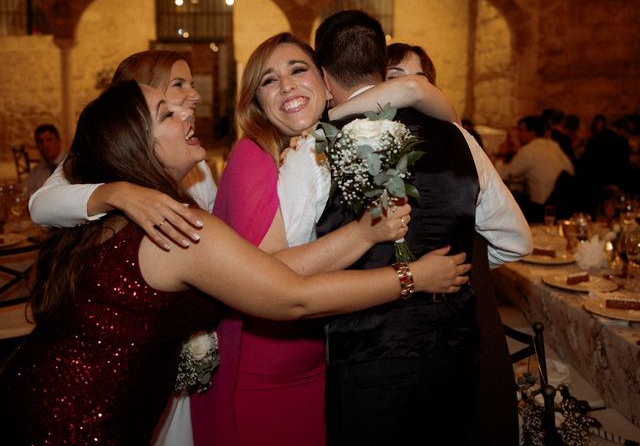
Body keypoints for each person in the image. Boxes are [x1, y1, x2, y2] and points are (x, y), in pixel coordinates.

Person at [0, 80, 471, 444]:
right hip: (76, 423)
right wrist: (412, 276)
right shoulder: (175, 228)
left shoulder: (122, 215)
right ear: (138, 148)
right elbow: (292, 298)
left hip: (39, 396)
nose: (188, 109)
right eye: (166, 112)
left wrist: (360, 233)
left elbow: (269, 272)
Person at [190, 32, 464, 446]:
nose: (285, 86)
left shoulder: (311, 147)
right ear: (255, 101)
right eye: (268, 80)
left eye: (297, 70)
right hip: (265, 377)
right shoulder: (253, 156)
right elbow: (267, 278)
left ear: (324, 79)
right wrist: (390, 257)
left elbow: (421, 93)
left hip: (314, 366)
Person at [313, 10, 532, 445]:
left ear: (325, 77)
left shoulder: (317, 146)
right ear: (381, 71)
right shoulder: (461, 138)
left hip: (366, 355)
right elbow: (516, 240)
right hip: (452, 352)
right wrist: (464, 263)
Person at [29, 50, 216, 250]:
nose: (196, 96)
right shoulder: (104, 159)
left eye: (192, 85)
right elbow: (41, 206)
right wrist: (118, 193)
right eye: (178, 84)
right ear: (141, 91)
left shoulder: (194, 162)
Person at [495, 115, 575, 222]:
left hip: (542, 207)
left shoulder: (528, 151)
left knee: (509, 197)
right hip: (565, 203)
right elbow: (570, 171)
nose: (518, 134)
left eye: (521, 130)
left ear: (532, 133)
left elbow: (500, 175)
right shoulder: (553, 145)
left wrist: (501, 155)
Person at [25, 123, 65, 196]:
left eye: (49, 140)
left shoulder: (71, 165)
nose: (45, 145)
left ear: (59, 141)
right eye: (40, 141)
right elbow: (25, 191)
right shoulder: (36, 171)